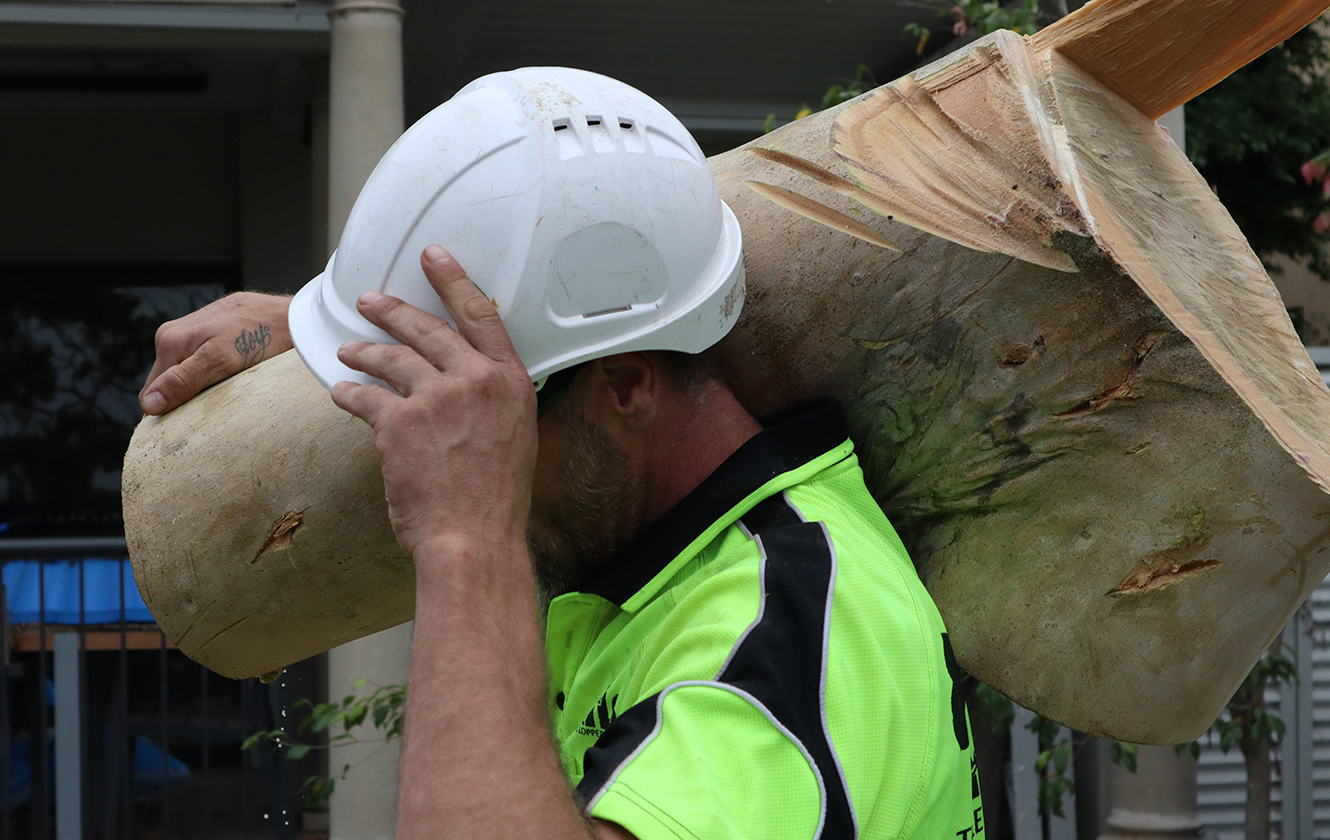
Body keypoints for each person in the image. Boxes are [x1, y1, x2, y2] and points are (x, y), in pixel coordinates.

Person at [141, 68, 984, 840]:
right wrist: (332, 323)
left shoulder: (781, 638)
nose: (443, 449)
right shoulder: (655, 545)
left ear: (622, 385)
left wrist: (464, 538)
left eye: (487, 416)